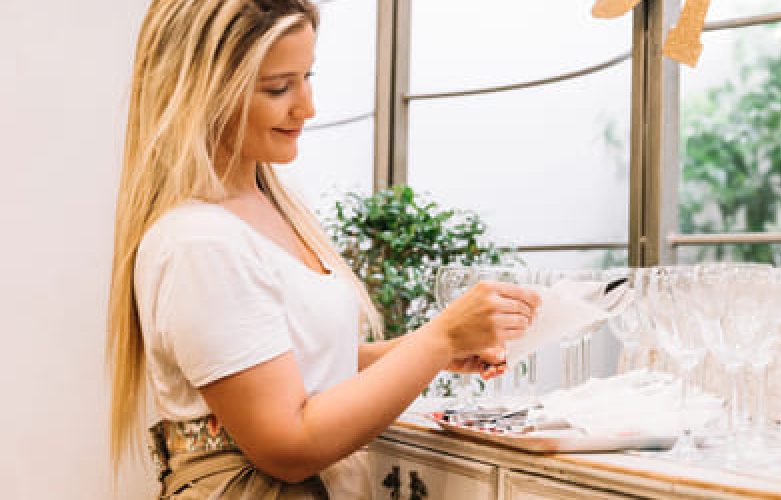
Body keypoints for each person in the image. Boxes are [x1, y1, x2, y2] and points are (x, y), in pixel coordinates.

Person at [105, 1, 541, 498]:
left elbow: (308, 365)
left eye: (307, 76)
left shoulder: (272, 207)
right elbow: (288, 448)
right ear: (202, 92)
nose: (306, 107)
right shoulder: (200, 242)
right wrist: (437, 339)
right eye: (278, 87)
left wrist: (436, 352)